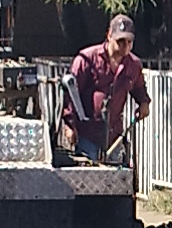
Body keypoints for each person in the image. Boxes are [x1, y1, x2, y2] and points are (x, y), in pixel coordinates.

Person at [63, 13, 150, 163]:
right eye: (120, 41)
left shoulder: (133, 65)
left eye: (129, 42)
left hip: (114, 136)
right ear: (109, 35)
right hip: (87, 134)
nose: (125, 46)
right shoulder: (87, 59)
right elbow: (71, 93)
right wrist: (70, 125)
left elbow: (139, 88)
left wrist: (144, 102)